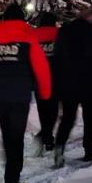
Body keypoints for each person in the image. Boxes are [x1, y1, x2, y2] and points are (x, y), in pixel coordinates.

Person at [0, 3, 51, 183]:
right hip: (19, 94)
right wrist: (45, 92)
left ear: (4, 19)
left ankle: (10, 175)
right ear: (22, 19)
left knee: (8, 134)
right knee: (16, 136)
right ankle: (12, 180)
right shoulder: (27, 35)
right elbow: (41, 67)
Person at [52, 4, 92, 167]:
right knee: (90, 118)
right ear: (88, 16)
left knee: (68, 118)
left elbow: (57, 56)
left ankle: (59, 147)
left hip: (68, 81)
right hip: (89, 81)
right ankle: (89, 150)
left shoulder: (64, 31)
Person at [33, 12, 60, 155]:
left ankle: (46, 137)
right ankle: (47, 136)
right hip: (55, 77)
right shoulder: (59, 34)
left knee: (42, 109)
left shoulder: (34, 35)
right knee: (53, 110)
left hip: (39, 78)